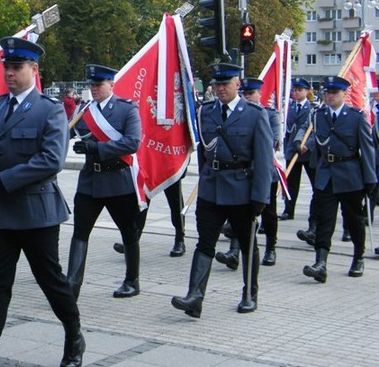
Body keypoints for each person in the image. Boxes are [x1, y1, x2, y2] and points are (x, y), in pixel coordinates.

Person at [0, 37, 84, 367]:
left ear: (33, 69)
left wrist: (3, 180)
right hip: (1, 214)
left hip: (37, 212)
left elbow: (51, 160)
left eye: (16, 68)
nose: (9, 73)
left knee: (51, 282)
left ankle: (74, 336)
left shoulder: (50, 110)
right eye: (6, 67)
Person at [171, 63, 272, 318]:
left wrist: (261, 196)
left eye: (225, 84)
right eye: (216, 84)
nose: (220, 89)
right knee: (205, 242)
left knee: (248, 244)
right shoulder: (206, 112)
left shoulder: (255, 114)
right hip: (212, 188)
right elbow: (204, 151)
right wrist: (204, 177)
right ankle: (195, 296)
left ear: (237, 84)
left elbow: (263, 160)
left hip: (241, 189)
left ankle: (250, 293)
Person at [67, 64, 143, 299]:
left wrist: (96, 147)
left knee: (128, 231)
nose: (94, 89)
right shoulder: (84, 110)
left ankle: (132, 281)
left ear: (112, 84)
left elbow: (132, 143)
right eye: (91, 85)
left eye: (99, 84)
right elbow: (66, 132)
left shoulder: (126, 110)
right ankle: (72, 285)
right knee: (80, 232)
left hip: (118, 179)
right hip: (91, 179)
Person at [301, 75, 376, 282]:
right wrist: (316, 171)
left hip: (350, 174)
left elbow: (367, 150)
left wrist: (370, 179)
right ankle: (321, 262)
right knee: (325, 220)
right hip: (326, 174)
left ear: (344, 93)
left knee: (354, 220)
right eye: (327, 92)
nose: (330, 96)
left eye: (334, 92)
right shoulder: (318, 115)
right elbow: (318, 145)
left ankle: (358, 257)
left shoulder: (356, 116)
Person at [215, 78, 281, 268]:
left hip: (263, 170)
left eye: (251, 93)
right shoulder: (233, 114)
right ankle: (234, 251)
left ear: (260, 94)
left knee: (268, 213)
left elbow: (272, 142)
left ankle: (270, 248)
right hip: (241, 174)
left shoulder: (268, 114)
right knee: (239, 215)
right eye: (245, 94)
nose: (248, 97)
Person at [113, 178, 186, 258]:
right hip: (149, 167)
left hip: (169, 167)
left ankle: (180, 239)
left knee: (175, 199)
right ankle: (133, 240)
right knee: (142, 199)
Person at [282, 79, 315, 231]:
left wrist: (307, 145)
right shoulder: (289, 107)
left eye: (300, 90)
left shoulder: (313, 109)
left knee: (316, 183)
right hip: (292, 150)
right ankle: (289, 210)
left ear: (307, 91)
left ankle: (315, 213)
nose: (296, 92)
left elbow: (314, 130)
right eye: (294, 90)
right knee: (291, 183)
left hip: (307, 152)